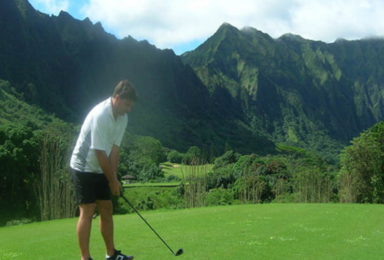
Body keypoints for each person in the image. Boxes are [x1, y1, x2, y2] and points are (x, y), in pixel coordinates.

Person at [70, 80, 138, 260]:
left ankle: (111, 254)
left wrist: (114, 178)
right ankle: (85, 258)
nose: (129, 109)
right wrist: (112, 181)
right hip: (83, 166)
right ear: (117, 98)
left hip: (101, 167)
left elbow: (115, 149)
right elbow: (99, 152)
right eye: (127, 104)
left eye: (131, 105)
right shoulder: (101, 114)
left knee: (106, 208)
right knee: (88, 210)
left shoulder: (123, 118)